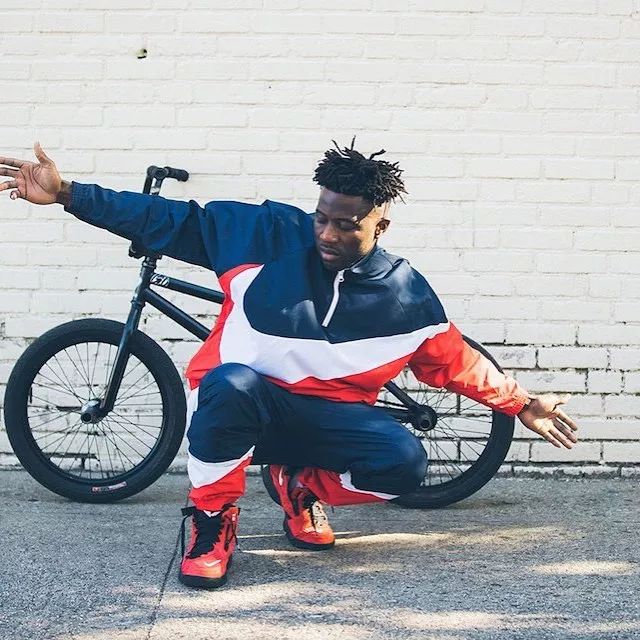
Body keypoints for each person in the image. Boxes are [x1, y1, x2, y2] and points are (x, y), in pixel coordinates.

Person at [0, 139, 579, 589]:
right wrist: (69, 193)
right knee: (228, 382)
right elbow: (166, 219)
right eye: (321, 217)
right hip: (250, 404)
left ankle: (301, 486)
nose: (326, 233)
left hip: (329, 422)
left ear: (380, 226)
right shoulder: (265, 234)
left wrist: (523, 403)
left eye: (346, 225)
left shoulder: (404, 294)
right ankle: (212, 520)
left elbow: (455, 361)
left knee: (404, 463)